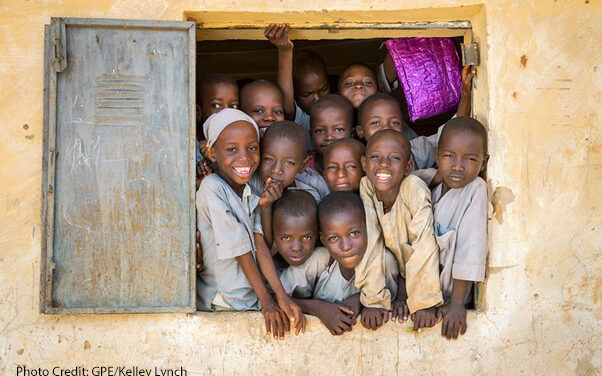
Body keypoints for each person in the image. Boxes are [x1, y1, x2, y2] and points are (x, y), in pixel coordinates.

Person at [196, 109, 305, 339]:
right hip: (224, 300)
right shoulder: (211, 188)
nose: (244, 157)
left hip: (249, 297)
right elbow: (240, 249)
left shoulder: (247, 190)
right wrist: (268, 301)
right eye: (231, 150)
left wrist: (279, 294)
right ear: (213, 154)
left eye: (252, 148)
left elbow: (258, 242)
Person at [356, 129, 443, 330]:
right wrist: (373, 300)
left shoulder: (413, 186)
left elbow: (424, 242)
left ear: (408, 166)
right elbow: (371, 240)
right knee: (379, 254)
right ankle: (391, 298)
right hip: (394, 270)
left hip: (424, 269)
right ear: (364, 164)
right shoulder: (367, 186)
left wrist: (424, 302)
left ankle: (414, 296)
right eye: (375, 157)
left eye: (394, 158)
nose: (383, 163)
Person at [432, 117, 489, 340]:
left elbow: (469, 245)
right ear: (436, 155)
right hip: (427, 297)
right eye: (449, 156)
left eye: (470, 158)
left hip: (452, 297)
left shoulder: (475, 189)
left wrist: (456, 304)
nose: (457, 166)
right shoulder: (430, 190)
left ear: (483, 163)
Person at [249, 121, 320, 247]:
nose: (276, 170)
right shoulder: (249, 185)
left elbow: (274, 247)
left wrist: (267, 206)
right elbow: (265, 246)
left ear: (303, 166)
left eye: (288, 163)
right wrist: (266, 206)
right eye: (269, 159)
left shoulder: (310, 196)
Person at [265, 24, 330, 138]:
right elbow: (286, 106)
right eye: (306, 94)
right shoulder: (304, 121)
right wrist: (285, 50)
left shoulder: (340, 109)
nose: (317, 99)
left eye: (324, 90)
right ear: (294, 94)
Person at [271, 190, 330, 299]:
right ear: (273, 235)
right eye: (286, 238)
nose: (296, 248)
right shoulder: (265, 259)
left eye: (306, 237)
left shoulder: (322, 258)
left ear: (317, 235)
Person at [306, 94, 354, 173]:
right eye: (320, 131)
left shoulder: (359, 164)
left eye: (338, 130)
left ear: (352, 134)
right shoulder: (304, 167)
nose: (329, 137)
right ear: (311, 135)